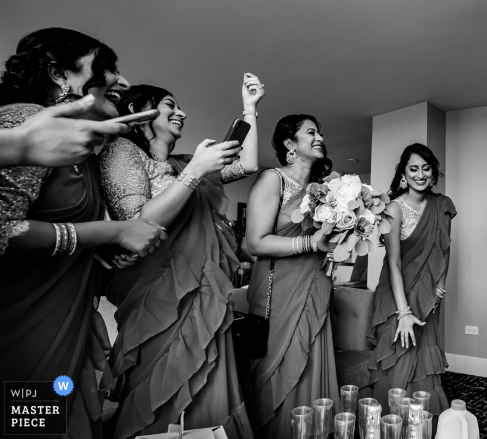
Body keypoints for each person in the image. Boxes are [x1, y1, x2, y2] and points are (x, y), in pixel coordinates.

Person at [0, 27, 167, 439]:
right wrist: (113, 231)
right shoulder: (24, 122)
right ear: (59, 73)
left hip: (65, 310)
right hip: (25, 326)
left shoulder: (79, 148)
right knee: (32, 428)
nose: (122, 81)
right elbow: (3, 231)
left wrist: (108, 250)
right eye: (107, 67)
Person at [98, 77, 263, 439]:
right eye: (171, 104)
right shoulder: (122, 152)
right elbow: (137, 224)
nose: (181, 113)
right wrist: (194, 173)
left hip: (204, 287)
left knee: (210, 362)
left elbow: (247, 165)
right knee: (163, 374)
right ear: (139, 113)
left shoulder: (185, 162)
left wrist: (250, 109)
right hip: (157, 291)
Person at [244, 114, 338, 438]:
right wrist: (311, 241)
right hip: (276, 289)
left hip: (314, 288)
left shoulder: (323, 191)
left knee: (311, 361)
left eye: (320, 132)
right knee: (275, 367)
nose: (319, 137)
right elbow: (254, 241)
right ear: (289, 143)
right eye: (311, 132)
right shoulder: (274, 179)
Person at [367, 143, 456, 416]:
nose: (420, 174)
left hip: (428, 293)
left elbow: (445, 249)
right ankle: (391, 422)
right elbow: (393, 262)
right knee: (398, 354)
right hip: (396, 293)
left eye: (426, 168)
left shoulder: (442, 205)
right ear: (404, 174)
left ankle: (422, 422)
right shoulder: (394, 208)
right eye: (413, 168)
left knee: (422, 357)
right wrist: (403, 311)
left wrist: (439, 290)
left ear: (433, 173)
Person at [0, 94, 130, 167]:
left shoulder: (84, 144)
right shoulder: (25, 118)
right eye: (108, 68)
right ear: (60, 74)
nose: (126, 84)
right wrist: (24, 144)